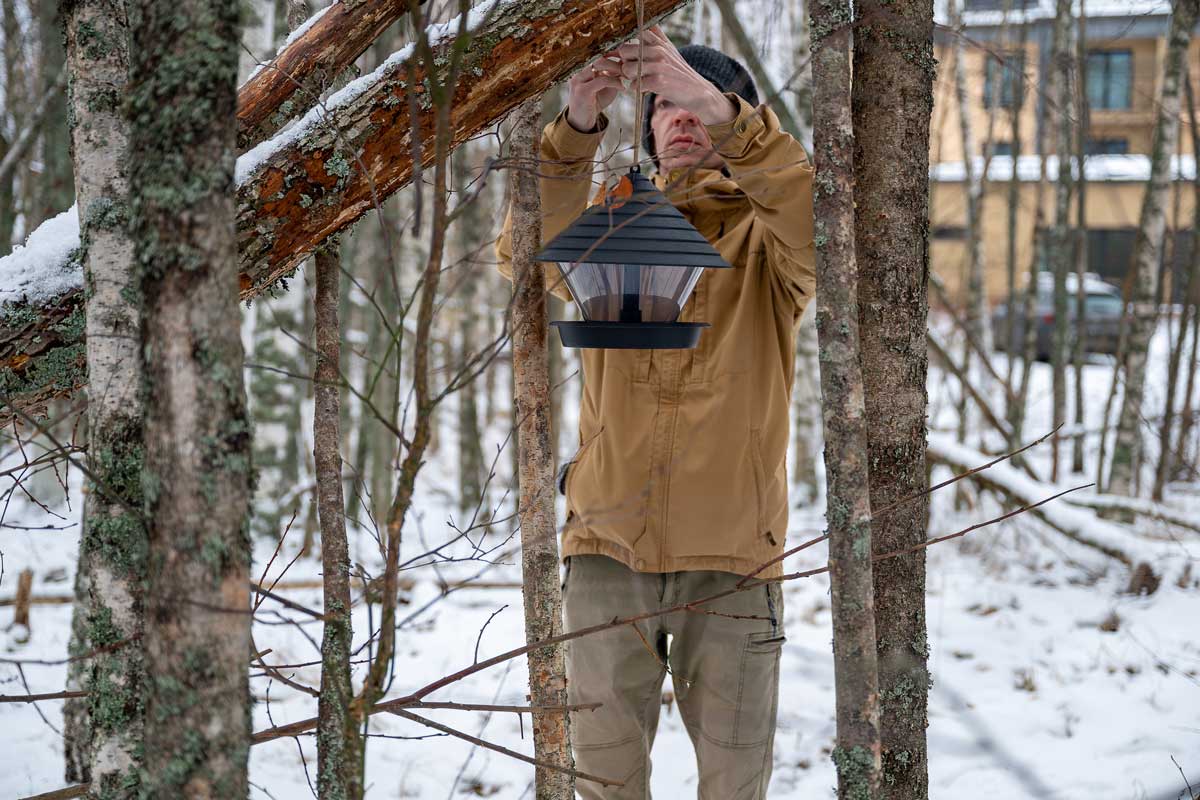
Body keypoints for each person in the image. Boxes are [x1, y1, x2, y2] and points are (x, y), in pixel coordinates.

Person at [496, 27, 815, 800]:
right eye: (665, 105)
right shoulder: (614, 227)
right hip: (606, 551)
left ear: (734, 115)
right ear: (647, 128)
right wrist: (577, 124)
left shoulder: (770, 241)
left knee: (735, 787)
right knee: (603, 785)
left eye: (699, 102)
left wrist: (720, 109)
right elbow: (523, 253)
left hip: (733, 559)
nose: (682, 117)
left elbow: (822, 231)